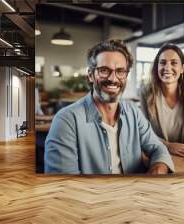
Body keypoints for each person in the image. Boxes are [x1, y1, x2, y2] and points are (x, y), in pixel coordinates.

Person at [45, 39, 174, 174]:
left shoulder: (133, 113)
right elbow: (64, 184)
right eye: (104, 70)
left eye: (120, 71)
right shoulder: (66, 121)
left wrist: (158, 169)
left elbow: (158, 148)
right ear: (90, 75)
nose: (113, 78)